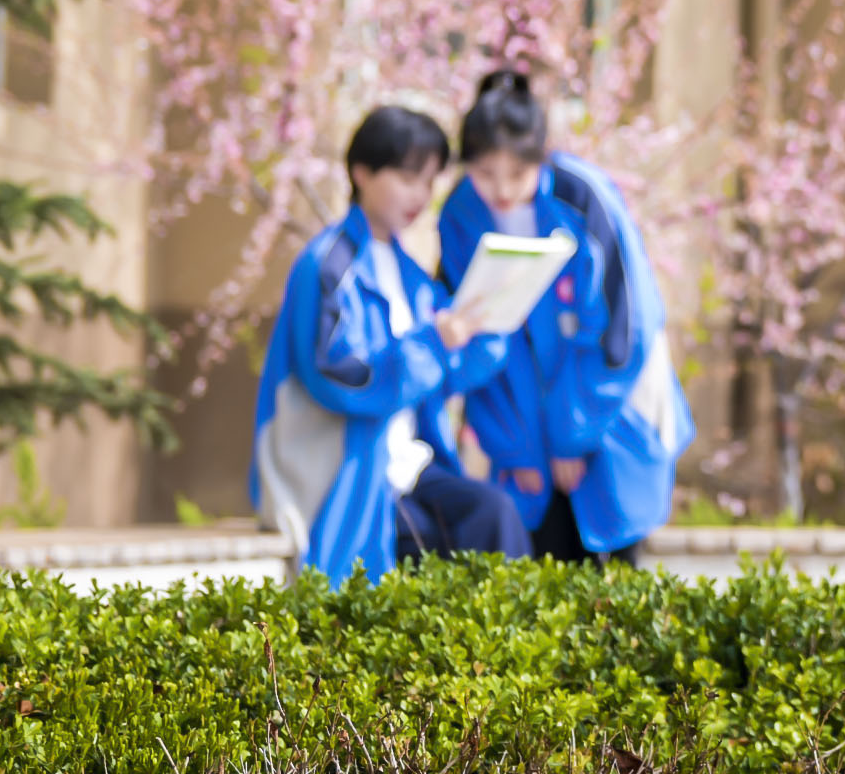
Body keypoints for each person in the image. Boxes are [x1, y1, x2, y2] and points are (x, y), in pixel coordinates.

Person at [250, 104, 529, 580]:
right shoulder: (327, 265)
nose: (419, 194)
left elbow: (444, 372)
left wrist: (488, 326)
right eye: (406, 176)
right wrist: (435, 345)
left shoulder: (411, 275)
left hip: (406, 468)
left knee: (493, 515)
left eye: (429, 181)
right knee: (425, 546)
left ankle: (511, 654)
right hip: (347, 474)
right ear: (361, 171)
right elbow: (340, 376)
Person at [432, 66, 694, 563]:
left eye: (517, 173)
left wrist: (572, 437)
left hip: (606, 430)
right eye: (485, 174)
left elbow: (624, 329)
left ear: (542, 157)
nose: (502, 190)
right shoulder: (459, 216)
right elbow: (481, 340)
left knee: (614, 601)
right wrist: (519, 450)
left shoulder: (585, 198)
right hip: (520, 452)